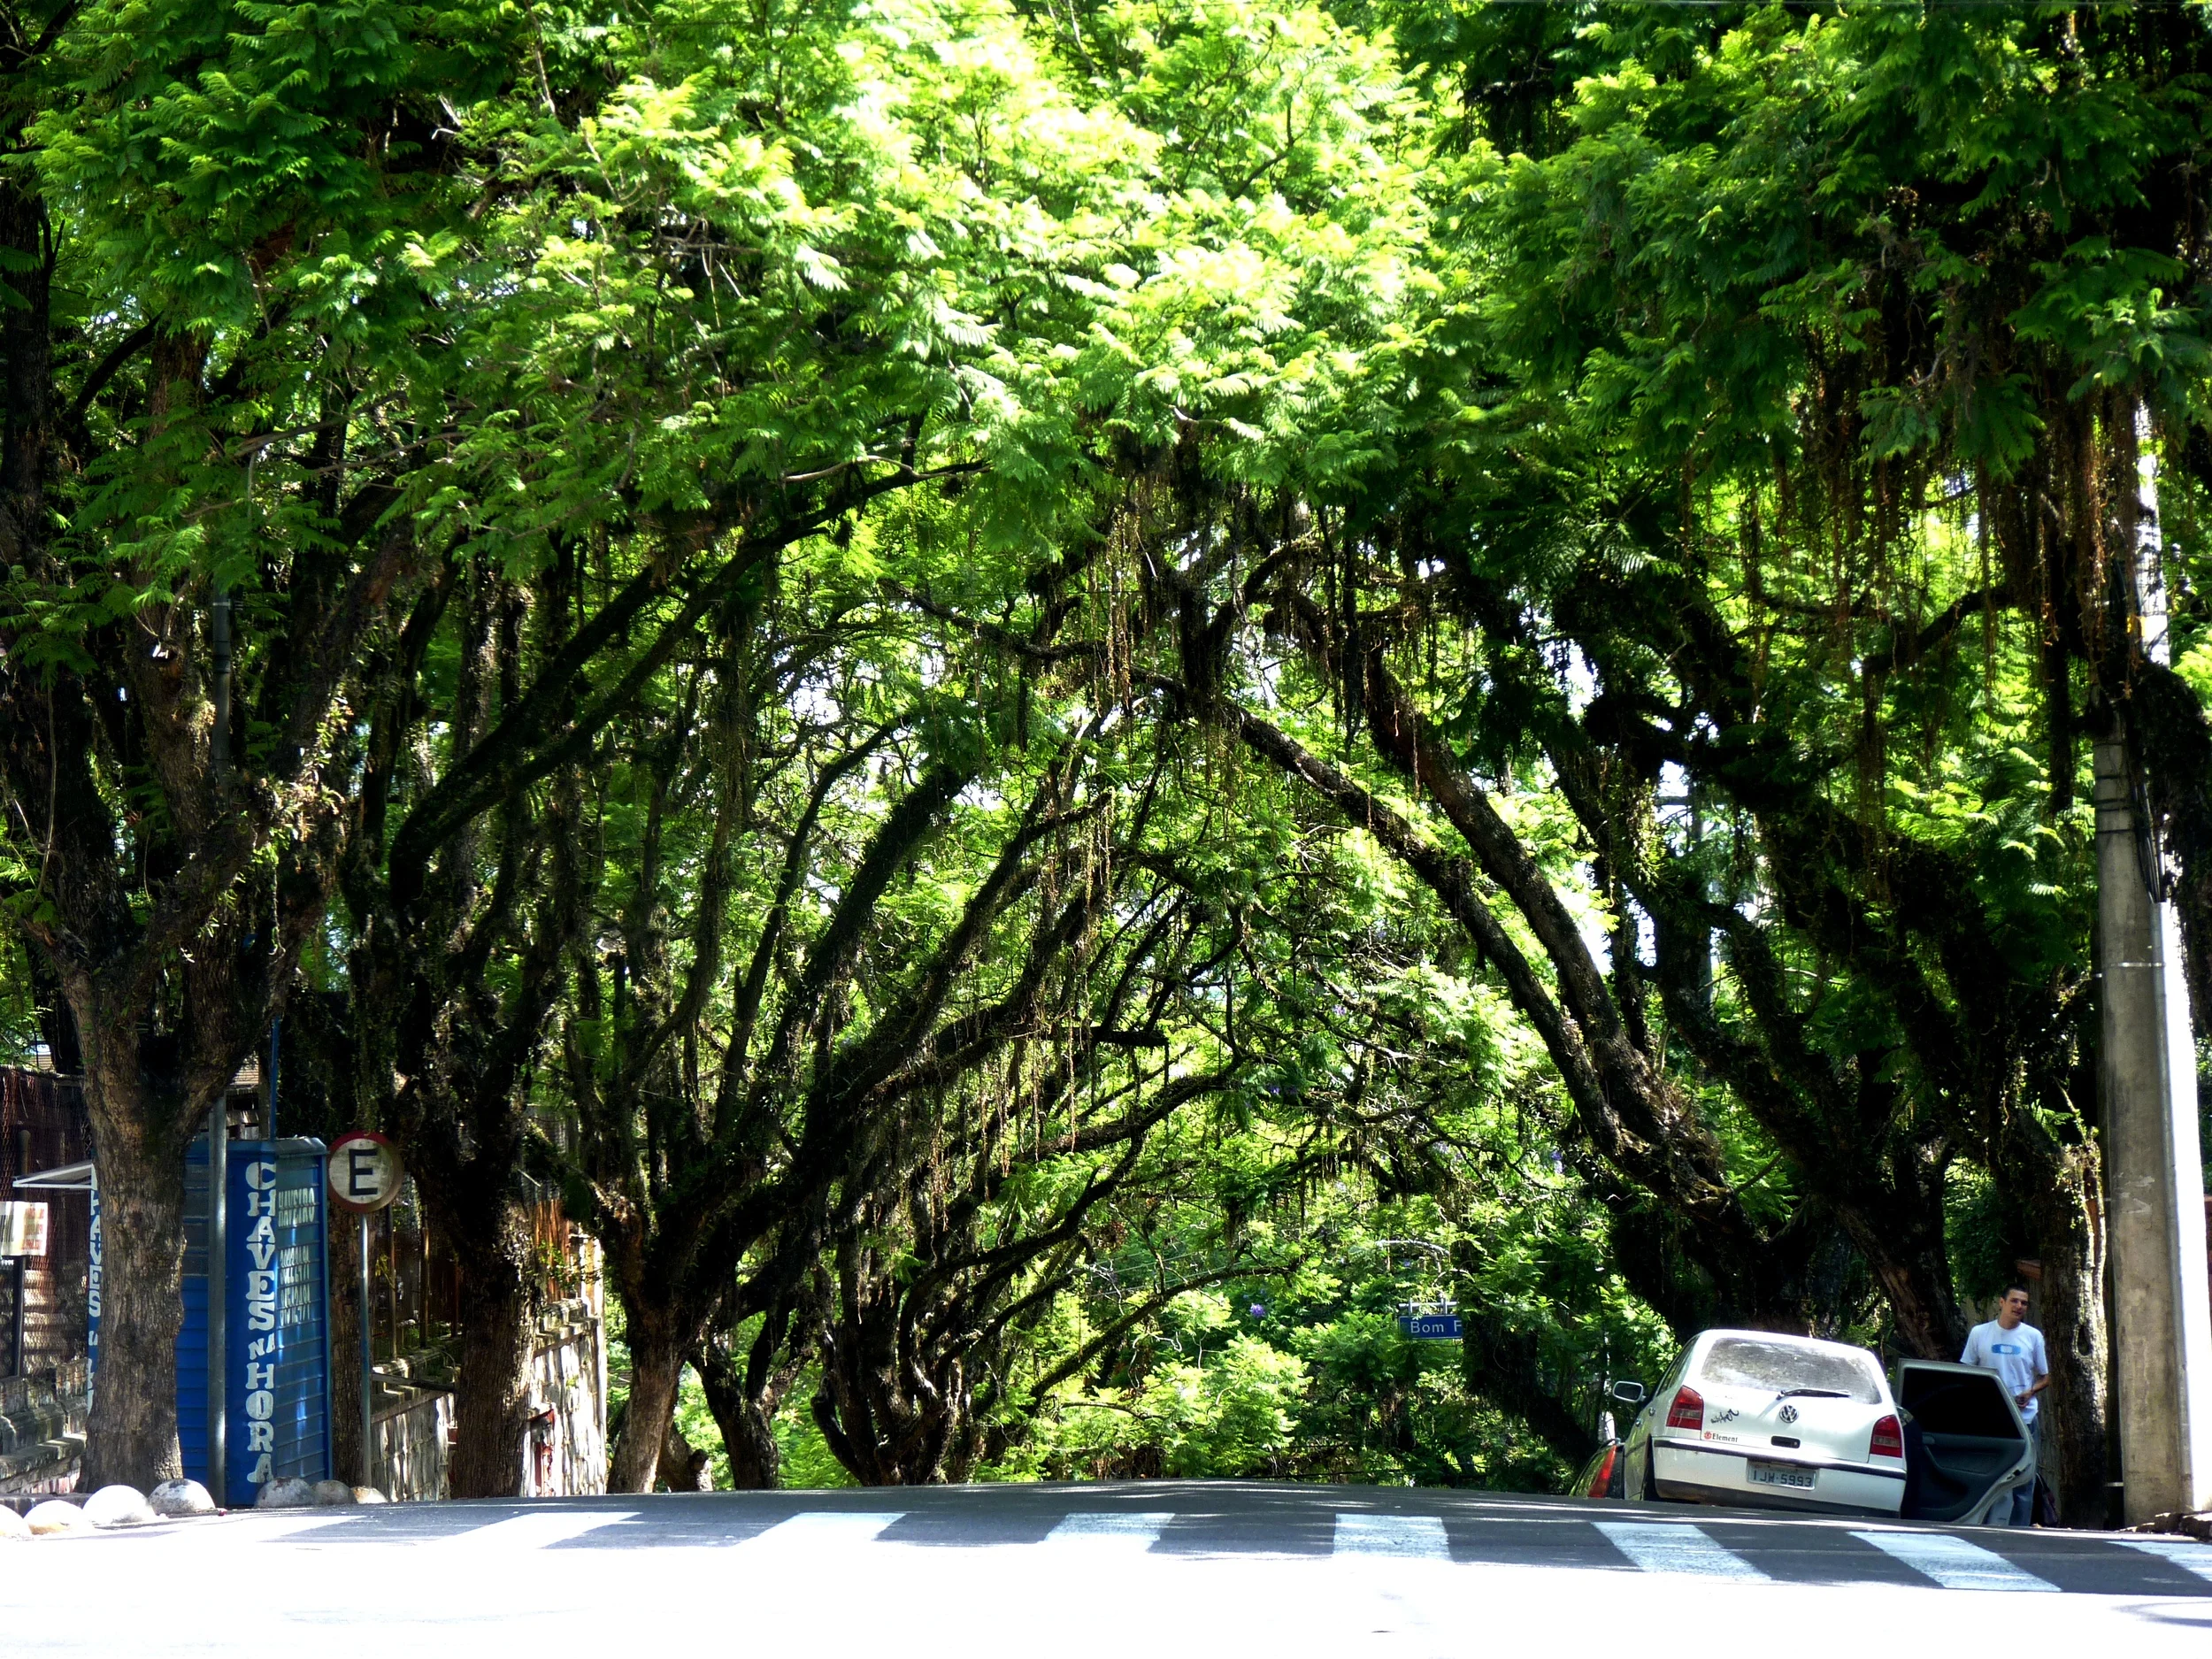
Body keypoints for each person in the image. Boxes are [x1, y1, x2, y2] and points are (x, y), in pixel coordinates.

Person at [1961, 1284, 2049, 1525]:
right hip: (1991, 1418)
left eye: (2024, 1303)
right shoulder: (1980, 1333)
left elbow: (2046, 1375)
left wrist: (2030, 1392)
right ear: (2001, 1302)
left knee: (2024, 1477)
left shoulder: (2033, 1336)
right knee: (1991, 1473)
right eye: (2014, 1301)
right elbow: (1967, 1371)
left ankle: (2019, 1531)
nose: (2019, 1306)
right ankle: (1985, 1525)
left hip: (2025, 1419)